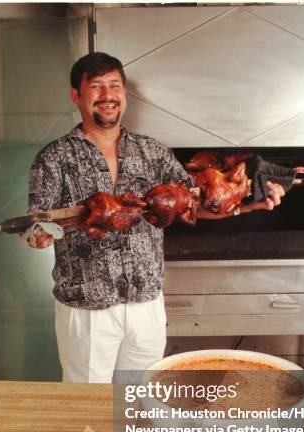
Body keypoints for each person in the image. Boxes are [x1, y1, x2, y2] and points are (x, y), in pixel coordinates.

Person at [28, 52, 285, 383]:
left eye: (114, 86)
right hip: (87, 303)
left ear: (124, 94)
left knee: (141, 399)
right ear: (76, 95)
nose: (107, 96)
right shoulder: (54, 157)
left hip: (145, 302)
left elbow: (196, 202)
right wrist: (40, 235)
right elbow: (38, 223)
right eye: (96, 87)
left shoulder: (153, 152)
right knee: (87, 403)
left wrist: (252, 204)